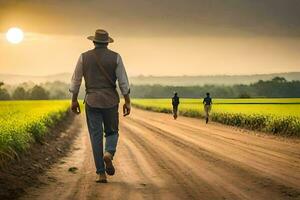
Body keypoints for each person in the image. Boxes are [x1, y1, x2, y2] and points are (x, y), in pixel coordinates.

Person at [69, 29, 131, 183]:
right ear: (107, 43)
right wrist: (127, 101)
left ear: (94, 42)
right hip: (110, 100)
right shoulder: (116, 57)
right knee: (112, 131)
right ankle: (109, 153)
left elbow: (76, 80)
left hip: (91, 100)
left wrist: (74, 99)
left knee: (95, 137)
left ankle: (101, 174)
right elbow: (123, 82)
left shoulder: (84, 57)